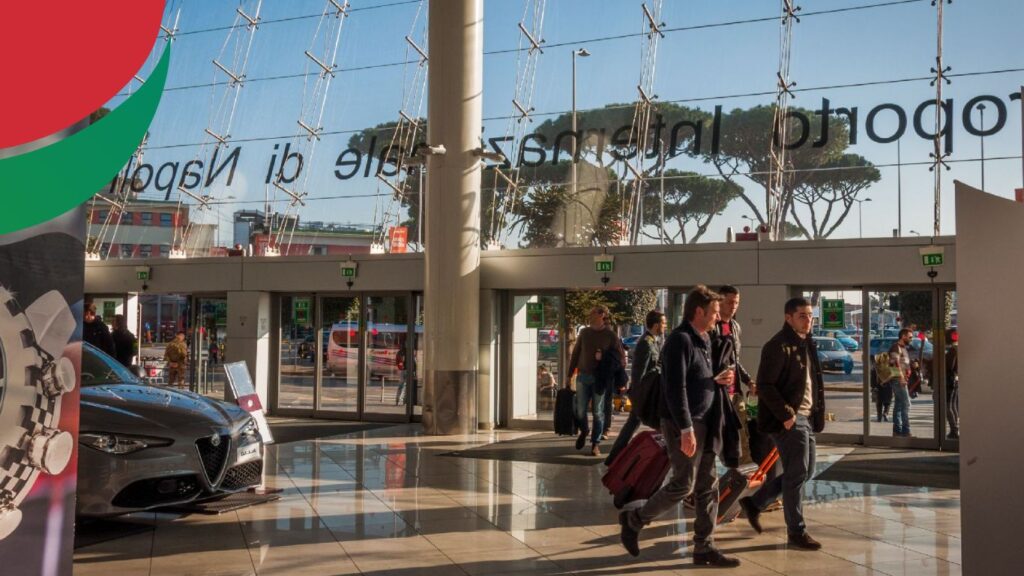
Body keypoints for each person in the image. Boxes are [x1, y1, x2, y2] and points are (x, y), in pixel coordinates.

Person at [619, 286, 741, 568]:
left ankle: (704, 546)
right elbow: (675, 388)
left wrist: (716, 380)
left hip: (707, 421)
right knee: (683, 484)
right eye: (712, 312)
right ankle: (634, 520)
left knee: (707, 487)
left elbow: (700, 380)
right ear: (698, 311)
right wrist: (686, 429)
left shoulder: (704, 339)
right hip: (683, 424)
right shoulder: (680, 341)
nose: (716, 317)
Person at [738, 297, 826, 551]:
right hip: (788, 419)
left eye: (810, 315)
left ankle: (755, 503)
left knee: (805, 472)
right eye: (802, 315)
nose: (808, 320)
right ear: (788, 317)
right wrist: (787, 415)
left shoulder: (806, 343)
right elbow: (765, 385)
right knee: (797, 475)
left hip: (806, 417)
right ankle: (796, 531)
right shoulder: (778, 345)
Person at [605, 310, 666, 466]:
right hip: (643, 393)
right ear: (656, 324)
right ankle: (615, 458)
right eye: (663, 323)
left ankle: (614, 457)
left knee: (633, 424)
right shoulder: (645, 343)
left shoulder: (655, 340)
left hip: (649, 391)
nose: (665, 326)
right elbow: (639, 373)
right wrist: (638, 396)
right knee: (637, 424)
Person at [710, 285, 762, 465]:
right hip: (715, 394)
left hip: (735, 392)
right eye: (730, 302)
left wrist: (748, 380)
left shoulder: (735, 326)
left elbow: (735, 360)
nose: (734, 306)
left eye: (737, 302)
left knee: (741, 438)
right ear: (719, 301)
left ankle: (743, 481)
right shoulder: (711, 327)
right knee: (712, 443)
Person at [566, 305, 622, 457]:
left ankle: (595, 444)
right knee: (580, 410)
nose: (590, 315)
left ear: (602, 315)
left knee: (598, 412)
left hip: (600, 379)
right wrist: (569, 373)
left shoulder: (610, 335)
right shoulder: (584, 332)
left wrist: (603, 358)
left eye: (593, 313)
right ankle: (584, 431)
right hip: (583, 376)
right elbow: (576, 352)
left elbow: (619, 358)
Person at [888, 329, 914, 437]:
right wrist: (901, 378)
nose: (911, 339)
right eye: (910, 337)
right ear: (903, 336)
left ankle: (897, 431)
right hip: (898, 380)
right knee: (906, 404)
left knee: (899, 405)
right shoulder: (896, 347)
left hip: (902, 379)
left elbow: (903, 364)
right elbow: (894, 364)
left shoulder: (903, 348)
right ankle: (905, 431)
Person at [945, 329, 959, 439]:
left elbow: (949, 366)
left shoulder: (952, 350)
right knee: (953, 404)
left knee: (948, 405)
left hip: (949, 380)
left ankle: (954, 429)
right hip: (955, 380)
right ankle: (955, 429)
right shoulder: (957, 348)